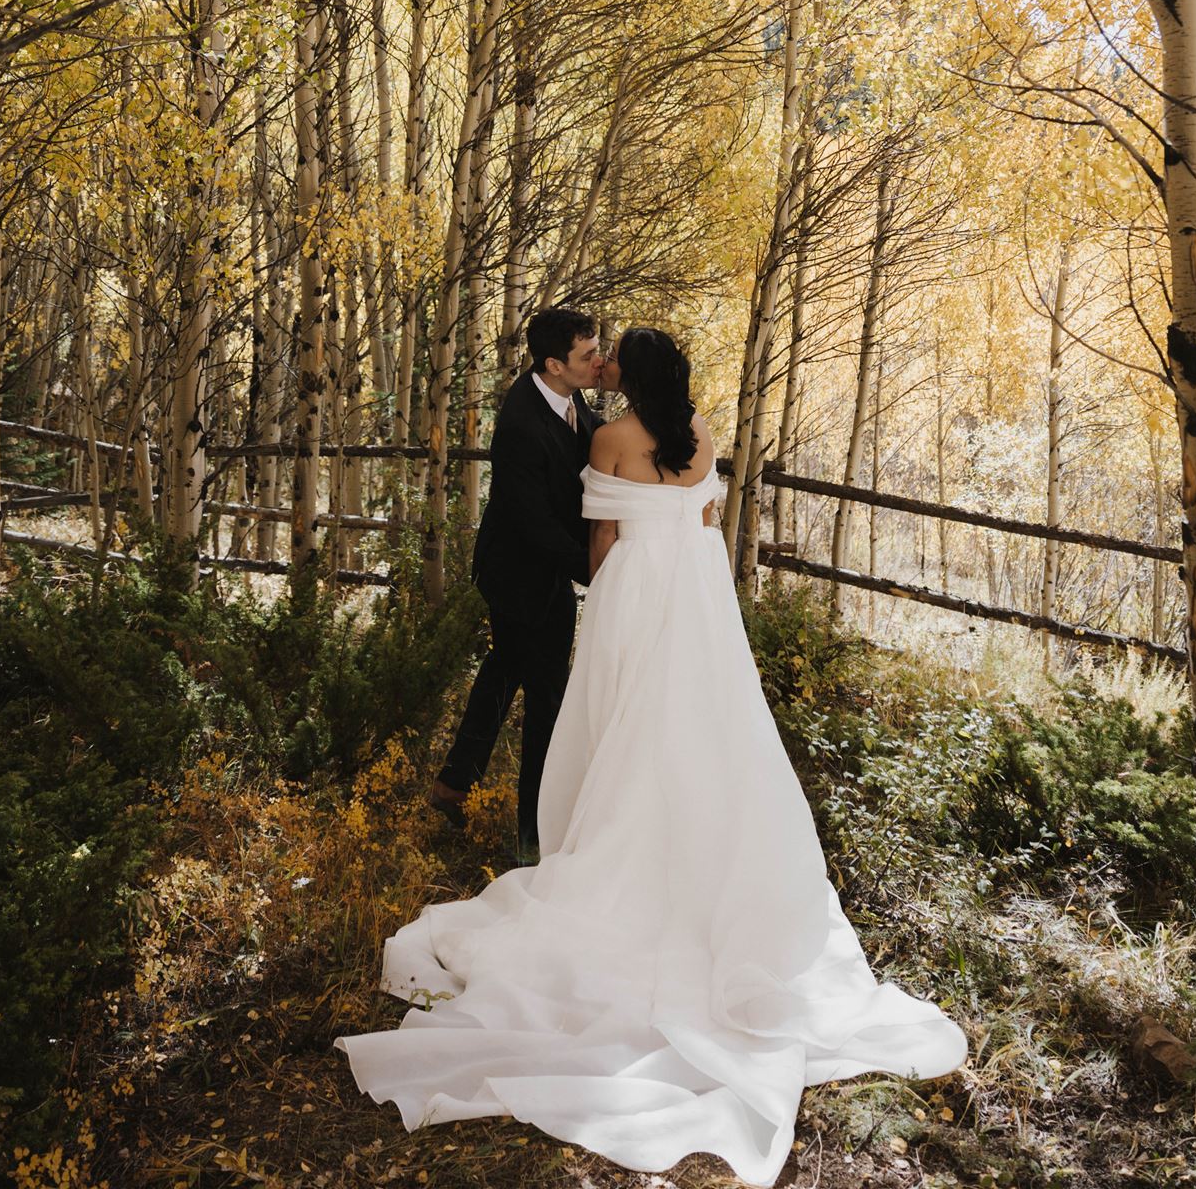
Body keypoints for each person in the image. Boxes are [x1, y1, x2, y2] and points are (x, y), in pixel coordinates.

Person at [338, 326, 967, 1187]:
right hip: (699, 597)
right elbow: (703, 521)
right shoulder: (703, 433)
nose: (605, 364)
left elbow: (599, 541)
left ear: (633, 375)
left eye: (616, 358)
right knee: (702, 723)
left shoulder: (609, 436)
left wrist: (602, 600)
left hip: (634, 590)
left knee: (619, 719)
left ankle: (601, 841)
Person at [428, 307, 601, 858]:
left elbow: (591, 446)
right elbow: (535, 524)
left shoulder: (571, 396)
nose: (598, 362)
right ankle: (534, 833)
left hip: (546, 567)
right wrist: (596, 568)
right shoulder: (521, 425)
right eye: (587, 355)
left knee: (504, 670)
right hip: (521, 573)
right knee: (547, 697)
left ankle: (454, 783)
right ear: (554, 364)